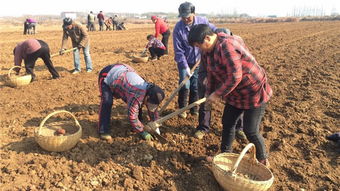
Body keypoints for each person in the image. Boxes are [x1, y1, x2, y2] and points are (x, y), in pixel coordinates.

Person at [188, 24, 273, 166]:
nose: (198, 48)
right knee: (227, 123)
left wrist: (217, 94)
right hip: (235, 93)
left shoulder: (226, 45)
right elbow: (210, 75)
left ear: (207, 38)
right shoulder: (207, 51)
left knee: (250, 130)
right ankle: (225, 156)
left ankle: (263, 160)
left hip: (252, 91)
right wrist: (209, 95)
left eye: (198, 45)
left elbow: (235, 76)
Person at [194, 28, 246, 141]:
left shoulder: (231, 46)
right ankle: (203, 127)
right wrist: (205, 79)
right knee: (205, 101)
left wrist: (220, 90)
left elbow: (236, 73)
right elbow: (202, 70)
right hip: (212, 80)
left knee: (236, 104)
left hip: (230, 81)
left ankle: (239, 128)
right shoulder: (207, 50)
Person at [98, 64, 165, 141]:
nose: (149, 105)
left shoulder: (151, 92)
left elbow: (153, 110)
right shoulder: (137, 95)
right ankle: (103, 130)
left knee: (139, 104)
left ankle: (137, 125)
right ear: (147, 97)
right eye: (149, 102)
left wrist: (155, 125)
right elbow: (132, 117)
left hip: (124, 74)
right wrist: (142, 131)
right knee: (107, 102)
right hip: (108, 74)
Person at [173, 1, 216, 119]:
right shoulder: (178, 28)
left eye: (187, 17)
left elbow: (213, 31)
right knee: (184, 84)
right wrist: (184, 66)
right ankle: (182, 109)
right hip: (184, 62)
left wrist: (223, 31)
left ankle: (193, 108)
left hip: (200, 61)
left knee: (195, 85)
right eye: (183, 17)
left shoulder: (203, 22)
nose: (185, 19)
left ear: (194, 13)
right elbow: (178, 50)